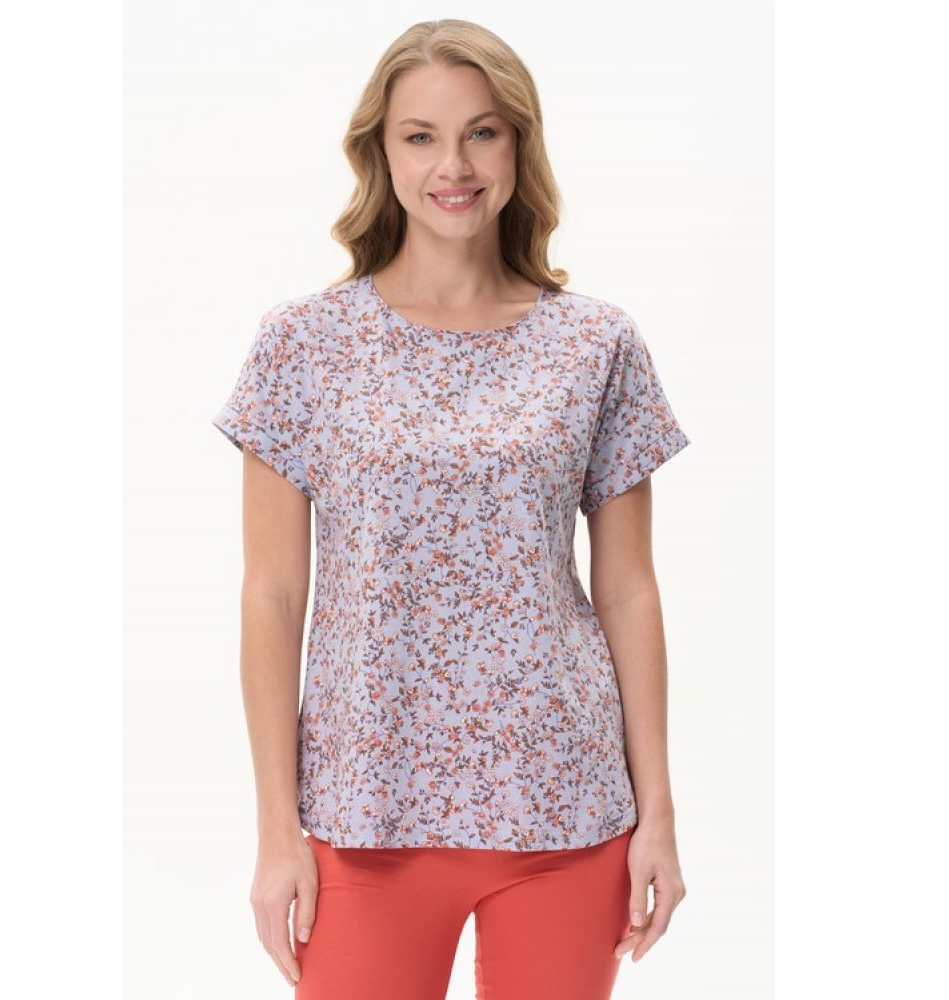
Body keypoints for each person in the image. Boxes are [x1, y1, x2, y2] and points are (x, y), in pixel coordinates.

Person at [212, 18, 690, 1000]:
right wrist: (275, 833)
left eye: (482, 132)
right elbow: (271, 595)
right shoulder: (304, 345)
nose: (454, 166)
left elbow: (629, 592)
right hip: (364, 813)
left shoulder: (596, 344)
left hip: (564, 804)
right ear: (381, 153)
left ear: (519, 143)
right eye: (420, 136)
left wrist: (660, 818)